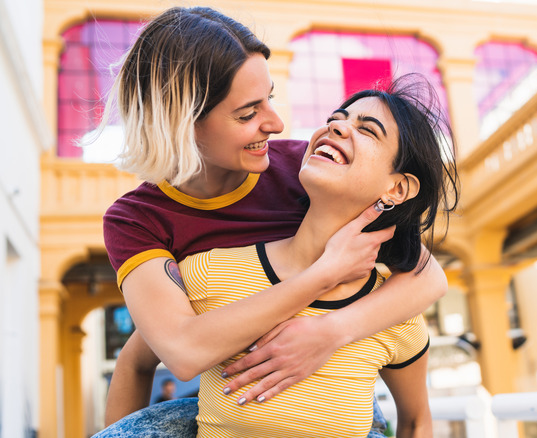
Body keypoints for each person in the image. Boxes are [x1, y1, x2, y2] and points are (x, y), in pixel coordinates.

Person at [92, 6, 449, 437]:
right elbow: (171, 351)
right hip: (233, 399)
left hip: (336, 392)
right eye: (247, 114)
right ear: (180, 123)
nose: (276, 124)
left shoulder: (307, 168)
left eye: (270, 98)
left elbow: (427, 277)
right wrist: (323, 273)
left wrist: (328, 334)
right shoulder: (140, 222)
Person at [185, 75, 456, 437]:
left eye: (368, 130)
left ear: (397, 188)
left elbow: (416, 421)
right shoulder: (209, 270)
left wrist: (332, 332)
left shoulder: (395, 312)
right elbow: (139, 362)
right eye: (336, 119)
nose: (336, 127)